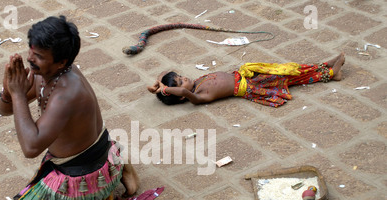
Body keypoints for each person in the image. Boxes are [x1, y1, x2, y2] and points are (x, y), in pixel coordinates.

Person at [0, 16, 139, 200]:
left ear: (62, 62)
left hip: (80, 171)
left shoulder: (66, 94)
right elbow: (5, 110)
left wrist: (17, 95)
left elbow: (31, 148)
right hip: (81, 153)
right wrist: (8, 92)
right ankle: (116, 165)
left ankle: (101, 193)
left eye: (39, 56)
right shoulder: (45, 71)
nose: (30, 59)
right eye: (31, 51)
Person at [148, 53, 345, 107]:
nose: (184, 79)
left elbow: (168, 71)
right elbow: (181, 91)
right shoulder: (197, 95)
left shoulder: (197, 82)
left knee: (285, 69)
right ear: (181, 97)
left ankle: (321, 65)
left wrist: (160, 82)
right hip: (252, 86)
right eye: (181, 81)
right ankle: (328, 74)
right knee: (287, 79)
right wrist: (165, 91)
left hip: (249, 75)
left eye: (181, 77)